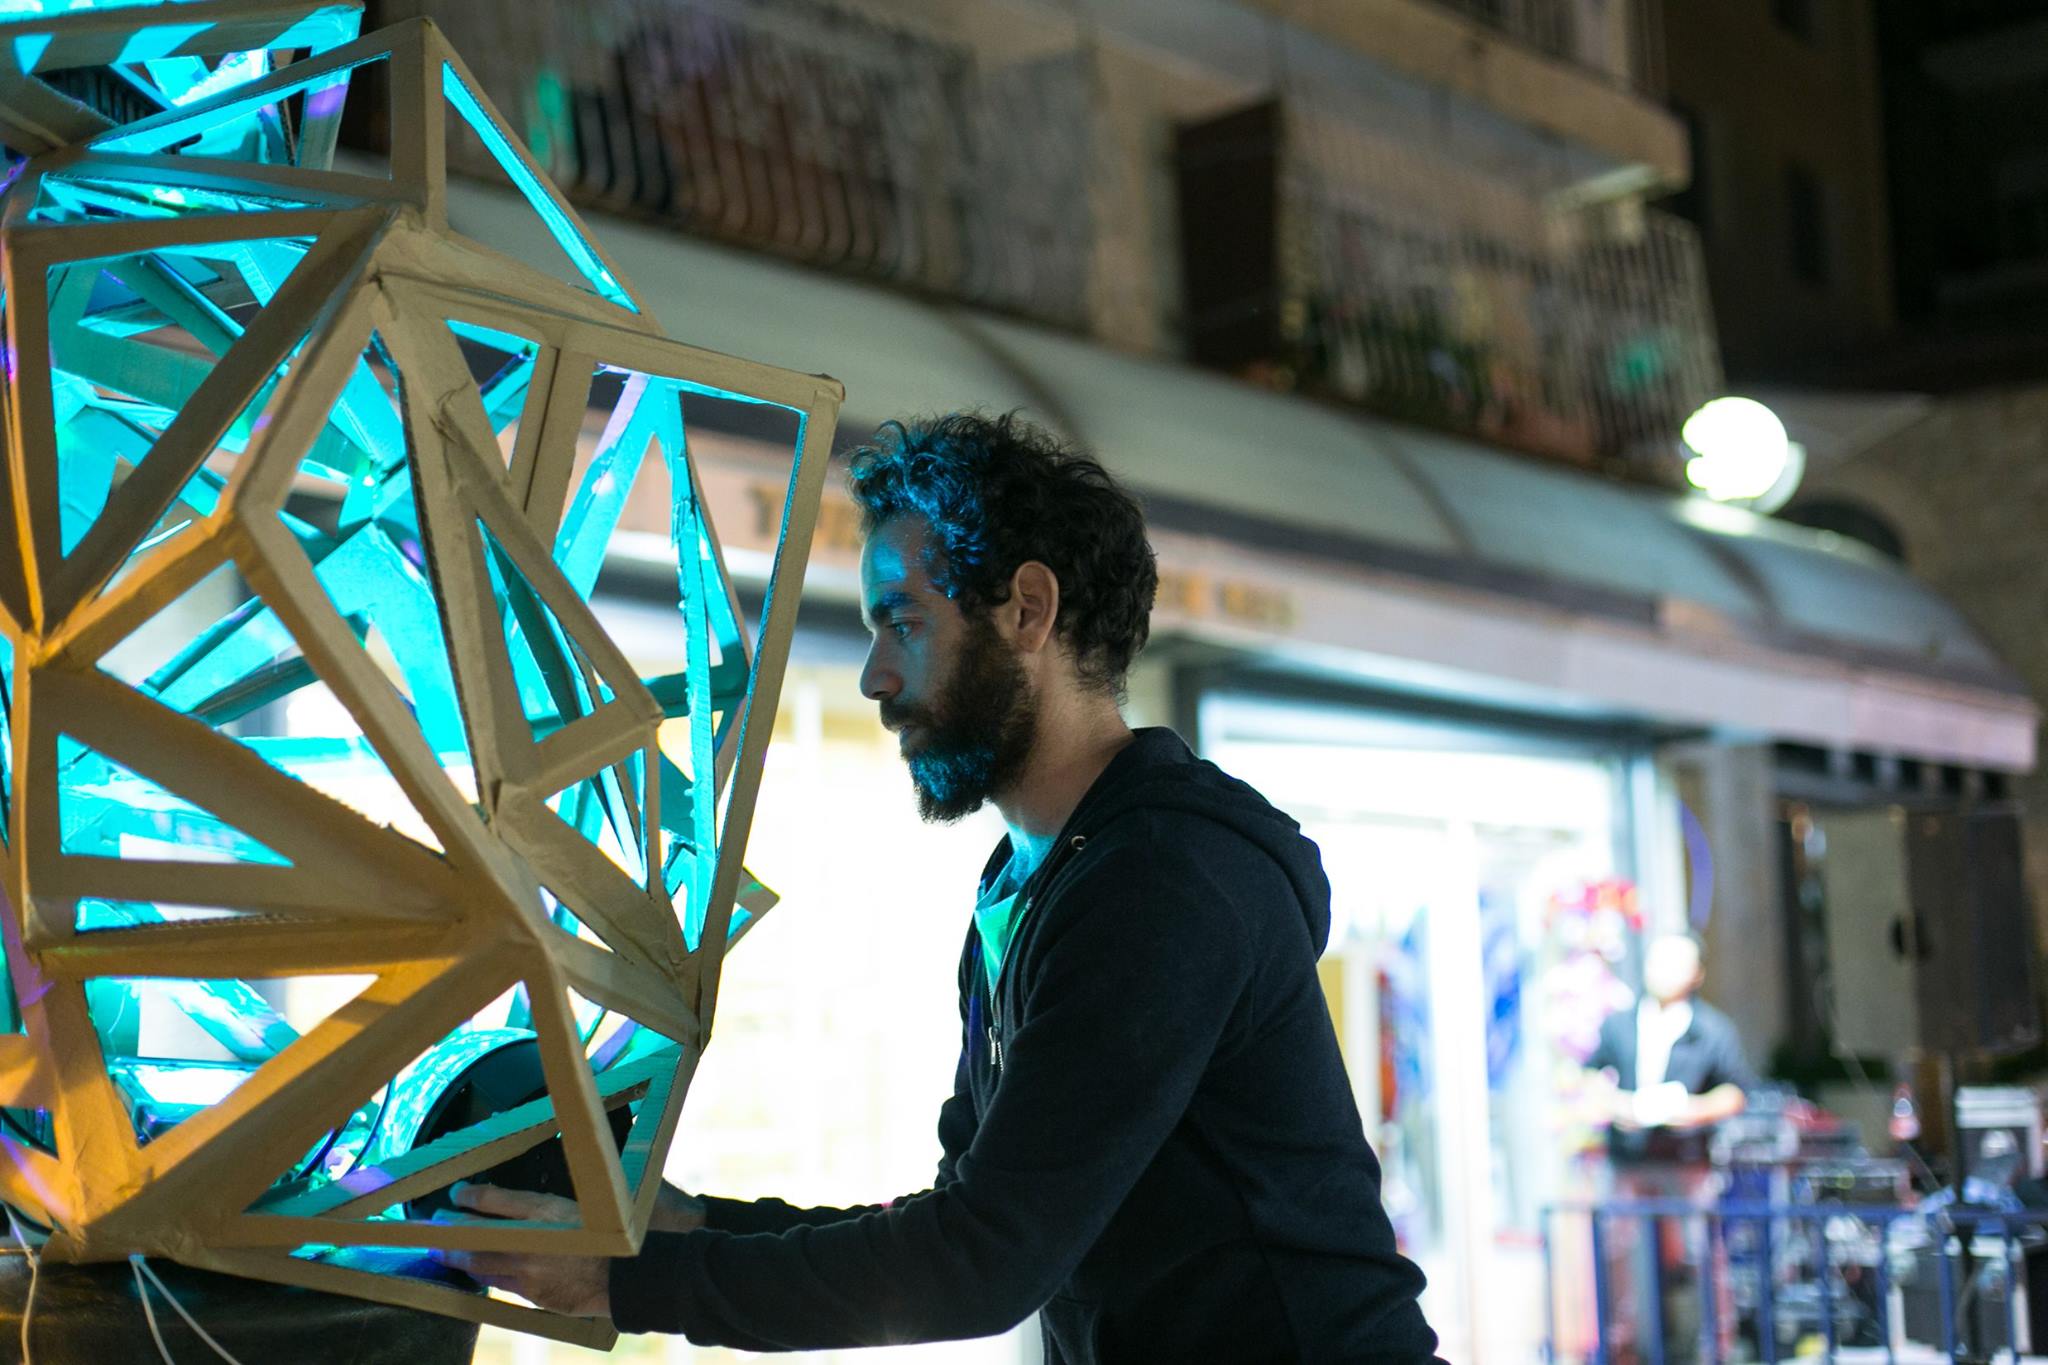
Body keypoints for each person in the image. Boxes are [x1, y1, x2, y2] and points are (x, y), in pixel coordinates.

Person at [435, 412, 1442, 1361]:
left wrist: (632, 1282)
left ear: (1028, 610)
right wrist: (689, 1225)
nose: (875, 674)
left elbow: (981, 1261)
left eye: (902, 622)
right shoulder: (1032, 881)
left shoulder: (1162, 884)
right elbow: (962, 1219)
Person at [1584, 931, 1757, 1365]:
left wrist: (1692, 1110)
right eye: (1659, 960)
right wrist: (1613, 1103)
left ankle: (1714, 1347)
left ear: (1697, 973)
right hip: (1628, 1157)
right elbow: (1587, 1073)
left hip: (1686, 1160)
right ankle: (1622, 1345)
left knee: (1701, 1252)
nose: (1663, 970)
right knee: (1620, 1253)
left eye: (1676, 962)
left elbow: (1736, 1091)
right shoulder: (1619, 1022)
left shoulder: (1711, 1028)